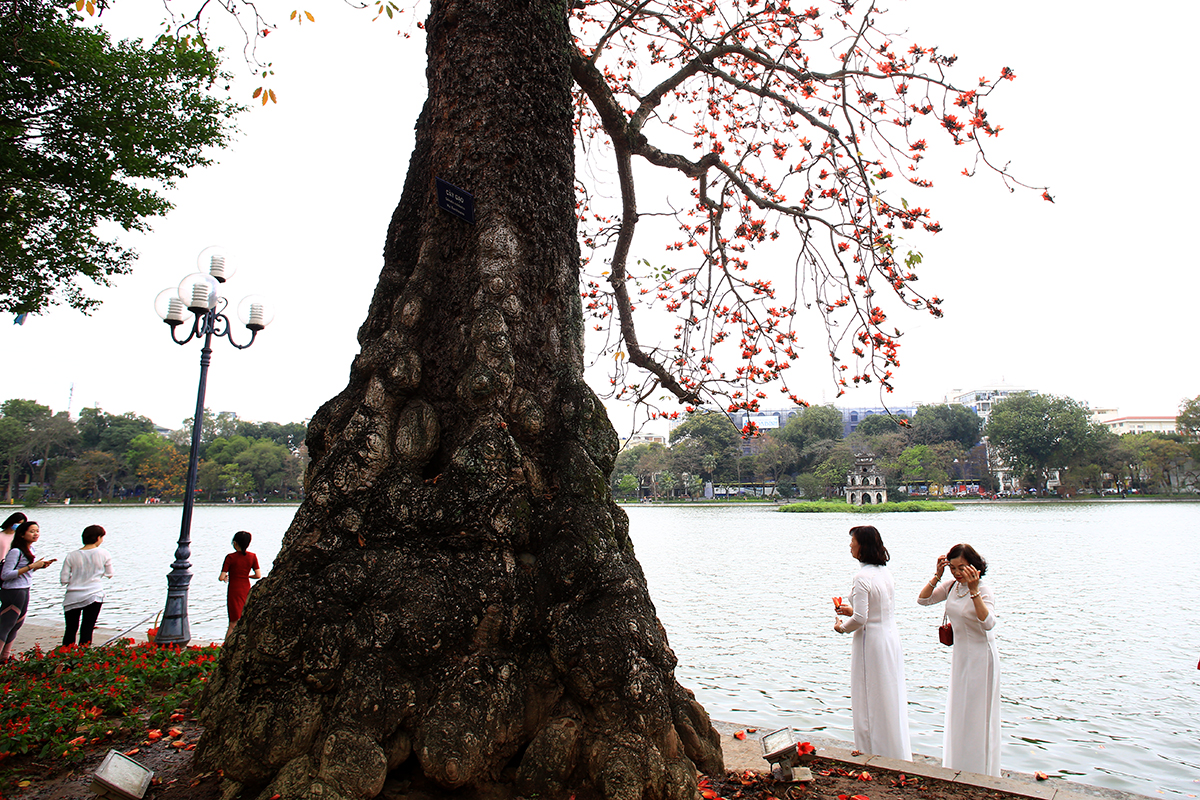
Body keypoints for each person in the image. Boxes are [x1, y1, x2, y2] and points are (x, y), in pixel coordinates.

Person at [917, 543, 1001, 776]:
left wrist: (974, 590)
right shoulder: (952, 586)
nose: (956, 573)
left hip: (981, 657)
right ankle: (958, 763)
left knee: (977, 713)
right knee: (960, 709)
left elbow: (988, 624)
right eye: (952, 567)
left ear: (974, 566)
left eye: (961, 568)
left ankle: (981, 769)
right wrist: (937, 576)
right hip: (961, 656)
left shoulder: (983, 589)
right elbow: (923, 600)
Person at [834, 525, 912, 761]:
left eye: (853, 541)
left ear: (862, 546)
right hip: (889, 636)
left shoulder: (861, 577)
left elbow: (860, 618)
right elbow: (875, 610)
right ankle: (894, 749)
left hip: (870, 641)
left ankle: (872, 750)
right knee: (889, 694)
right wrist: (853, 612)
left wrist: (842, 628)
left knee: (868, 696)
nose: (850, 545)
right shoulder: (884, 573)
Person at [0, 521, 56, 663]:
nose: (35, 534)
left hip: (25, 589)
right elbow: (5, 575)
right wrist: (32, 566)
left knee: (17, 624)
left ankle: (5, 656)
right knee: (6, 624)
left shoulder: (31, 550)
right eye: (32, 531)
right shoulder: (15, 552)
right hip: (13, 591)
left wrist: (39, 567)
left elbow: (26, 571)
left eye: (37, 531)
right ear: (22, 534)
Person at [59, 524, 115, 647]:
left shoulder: (71, 555)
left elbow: (64, 579)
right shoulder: (104, 553)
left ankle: (65, 655)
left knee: (70, 629)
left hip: (72, 596)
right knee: (87, 628)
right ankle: (82, 656)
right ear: (98, 538)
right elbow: (110, 574)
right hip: (94, 594)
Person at [219, 530, 261, 639]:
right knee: (244, 618)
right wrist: (247, 576)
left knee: (233, 622)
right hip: (246, 588)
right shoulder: (252, 556)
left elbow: (221, 577)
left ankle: (226, 647)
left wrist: (227, 577)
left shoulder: (230, 557)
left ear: (235, 543)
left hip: (234, 590)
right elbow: (258, 575)